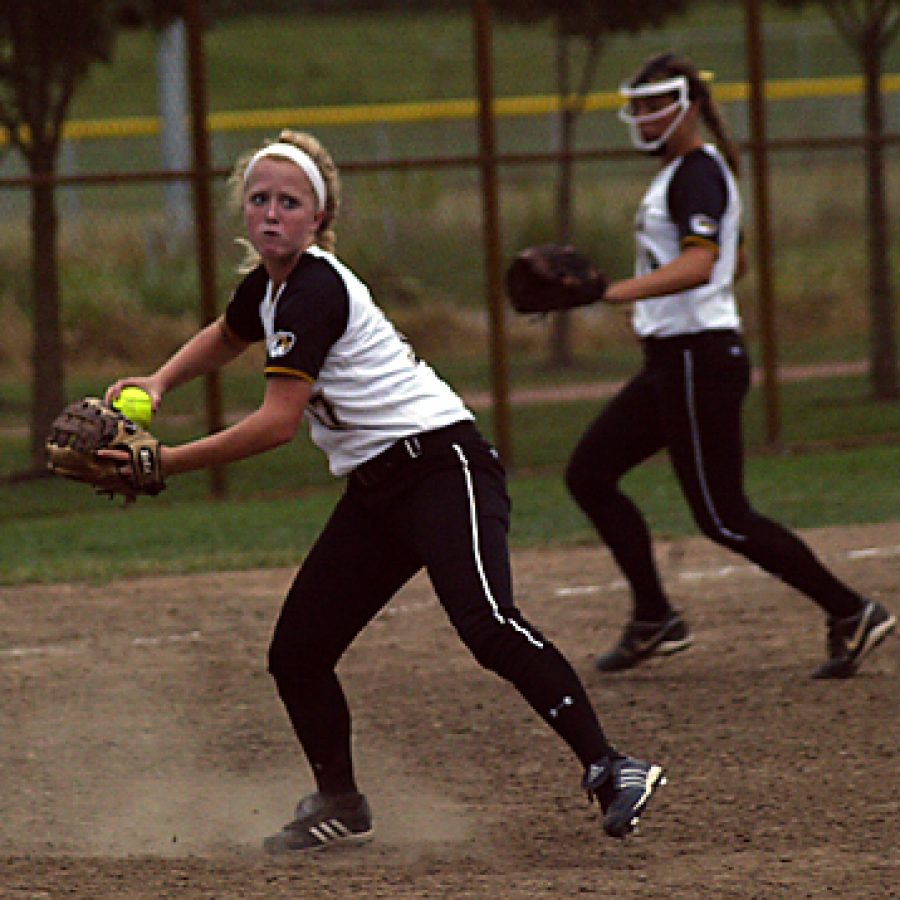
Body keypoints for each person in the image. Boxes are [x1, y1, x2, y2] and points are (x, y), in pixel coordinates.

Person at [104, 129, 666, 852]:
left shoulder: (314, 288)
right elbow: (227, 332)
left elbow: (277, 425)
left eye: (290, 202)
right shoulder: (269, 292)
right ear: (242, 212)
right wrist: (158, 381)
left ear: (318, 220)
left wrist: (166, 462)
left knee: (487, 623)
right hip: (377, 489)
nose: (271, 213)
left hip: (441, 466)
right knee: (298, 652)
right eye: (259, 199)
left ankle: (610, 765)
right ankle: (340, 803)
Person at [564, 52, 895, 679]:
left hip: (697, 358)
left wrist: (610, 292)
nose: (641, 116)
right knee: (590, 472)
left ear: (687, 105)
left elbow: (701, 264)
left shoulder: (694, 173)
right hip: (678, 359)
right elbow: (732, 264)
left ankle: (851, 610)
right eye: (635, 106)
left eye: (653, 103)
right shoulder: (685, 174)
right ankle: (654, 616)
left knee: (721, 516)